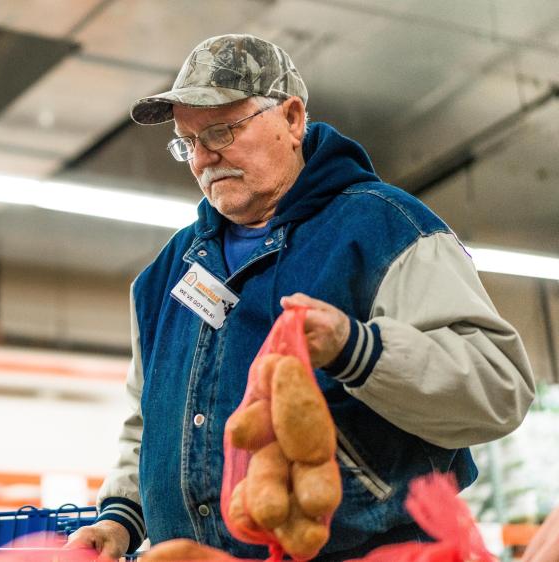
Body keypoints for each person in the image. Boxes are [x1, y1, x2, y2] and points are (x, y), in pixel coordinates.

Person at [66, 34, 535, 560]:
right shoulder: (166, 275)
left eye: (222, 130)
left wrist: (360, 351)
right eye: (187, 142)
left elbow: (501, 386)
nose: (203, 157)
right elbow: (144, 425)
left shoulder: (385, 230)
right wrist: (121, 518)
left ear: (292, 119)